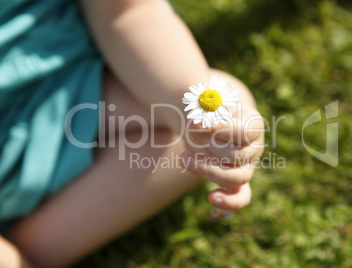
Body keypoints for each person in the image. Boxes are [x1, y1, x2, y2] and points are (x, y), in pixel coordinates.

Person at [0, 0, 265, 267]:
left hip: (53, 88)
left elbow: (128, 11)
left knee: (232, 104)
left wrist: (191, 115)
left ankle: (31, 251)